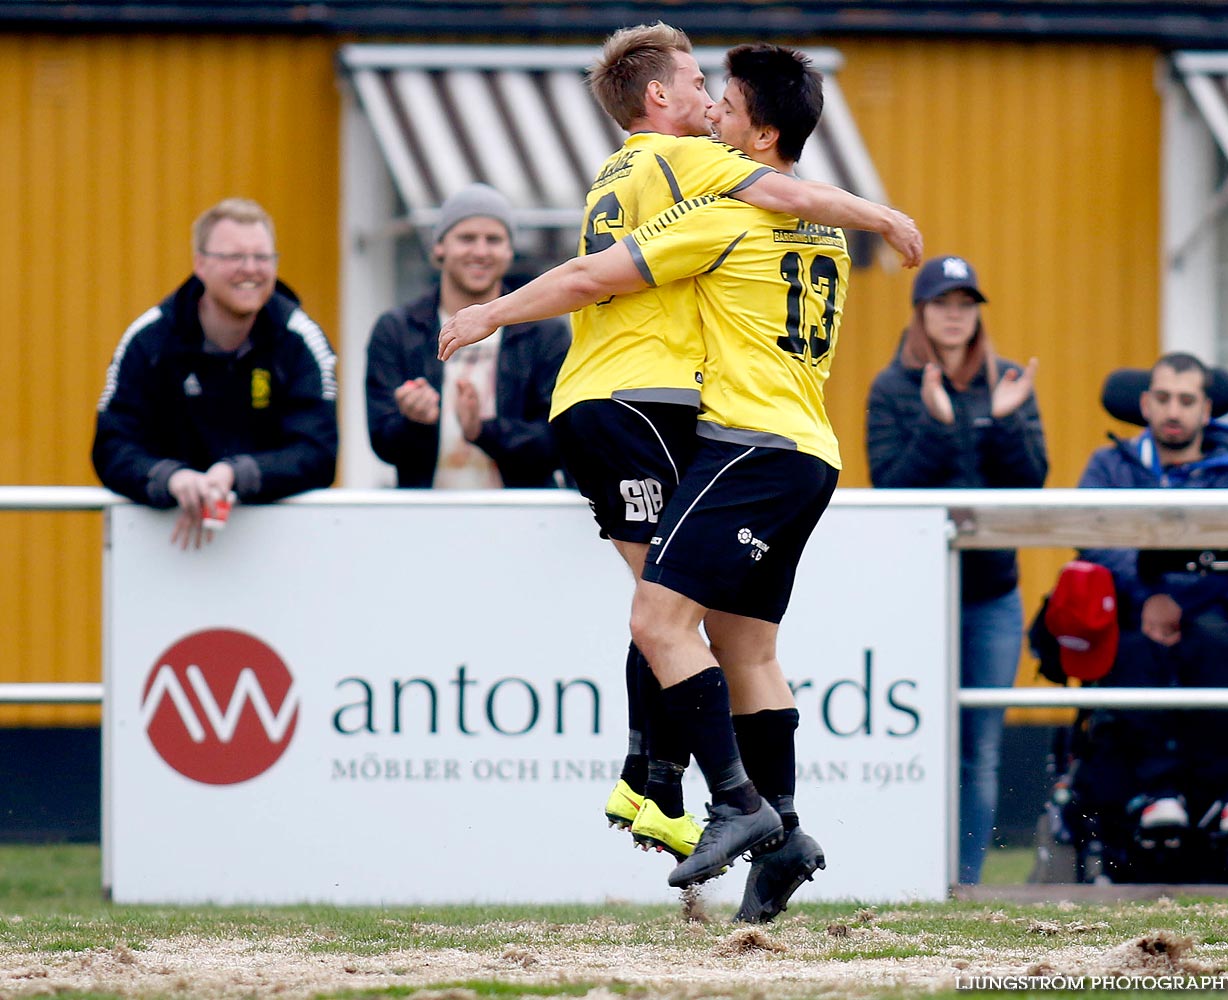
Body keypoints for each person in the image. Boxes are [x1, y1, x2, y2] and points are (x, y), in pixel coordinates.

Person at [464, 22, 923, 869]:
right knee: (746, 646)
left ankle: (699, 792)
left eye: (730, 102)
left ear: (761, 136)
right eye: (703, 89)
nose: (713, 107)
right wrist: (875, 218)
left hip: (731, 438)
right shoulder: (825, 243)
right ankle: (777, 830)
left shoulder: (719, 214)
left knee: (658, 614)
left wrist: (489, 311)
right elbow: (798, 205)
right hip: (811, 452)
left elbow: (592, 276)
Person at [865, 256, 1047, 884]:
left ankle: (964, 882)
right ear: (919, 312)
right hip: (917, 598)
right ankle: (914, 875)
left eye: (965, 304)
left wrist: (1000, 418)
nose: (954, 314)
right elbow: (891, 487)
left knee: (981, 751)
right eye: (942, 302)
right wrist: (939, 426)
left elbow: (1030, 482)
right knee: (920, 743)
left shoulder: (1010, 381)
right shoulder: (890, 389)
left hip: (993, 594)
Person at [1057, 353, 1228, 881]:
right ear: (1144, 404)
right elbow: (1092, 537)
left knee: (1216, 639)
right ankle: (1155, 791)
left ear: (1206, 410)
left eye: (1186, 400)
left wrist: (1179, 603)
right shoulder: (1110, 464)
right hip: (1132, 617)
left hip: (1215, 616)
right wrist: (1148, 599)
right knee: (1132, 646)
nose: (1173, 411)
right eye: (1163, 398)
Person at [92, 197, 338, 550]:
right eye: (234, 257)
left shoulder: (301, 340)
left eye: (262, 257)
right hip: (163, 551)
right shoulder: (149, 340)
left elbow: (318, 454)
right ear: (200, 265)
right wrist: (172, 479)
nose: (250, 268)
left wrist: (235, 475)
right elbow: (111, 446)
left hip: (278, 554)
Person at [365, 183, 572, 489]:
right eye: (466, 238)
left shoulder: (544, 333)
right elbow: (383, 443)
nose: (480, 251)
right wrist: (415, 420)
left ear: (509, 250)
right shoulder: (397, 329)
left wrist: (482, 431)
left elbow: (561, 442)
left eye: (494, 239)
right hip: (424, 516)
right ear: (439, 247)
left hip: (523, 519)